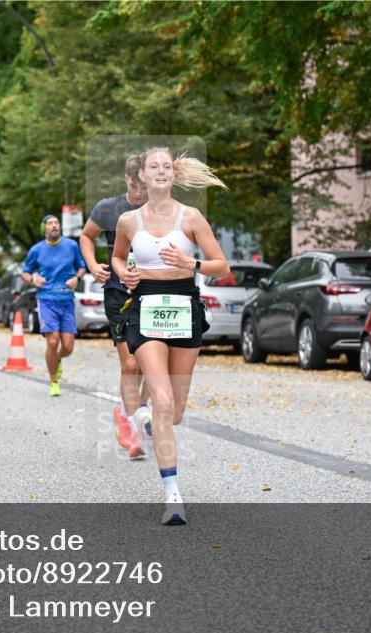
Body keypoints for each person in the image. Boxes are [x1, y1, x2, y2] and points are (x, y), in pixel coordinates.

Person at [111, 147, 230, 525]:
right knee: (162, 401)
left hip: (184, 307)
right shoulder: (129, 222)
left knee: (174, 413)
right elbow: (116, 257)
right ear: (142, 176)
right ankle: (173, 495)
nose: (160, 172)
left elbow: (221, 266)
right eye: (153, 167)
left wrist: (190, 263)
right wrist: (125, 274)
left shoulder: (191, 217)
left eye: (166, 167)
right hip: (145, 305)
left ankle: (145, 420)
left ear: (173, 176)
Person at [80, 154, 151, 456]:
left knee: (151, 362)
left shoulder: (160, 209)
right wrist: (94, 264)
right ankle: (134, 428)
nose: (139, 195)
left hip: (152, 291)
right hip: (118, 292)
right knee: (131, 363)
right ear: (127, 180)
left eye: (144, 188)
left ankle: (131, 410)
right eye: (135, 188)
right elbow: (86, 236)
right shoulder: (108, 208)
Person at [21, 214, 87, 397]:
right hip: (46, 299)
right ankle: (54, 381)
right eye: (50, 223)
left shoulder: (71, 246)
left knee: (68, 347)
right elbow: (25, 273)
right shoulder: (36, 250)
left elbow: (82, 266)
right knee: (52, 341)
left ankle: (57, 359)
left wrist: (77, 278)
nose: (53, 226)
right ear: (45, 229)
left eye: (56, 223)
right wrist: (33, 279)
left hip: (66, 300)